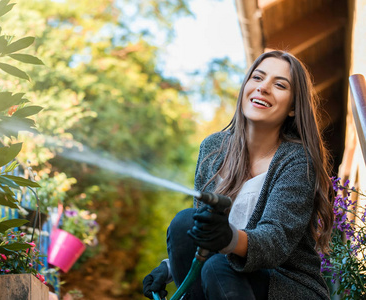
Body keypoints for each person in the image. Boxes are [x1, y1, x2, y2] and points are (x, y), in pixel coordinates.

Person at [143, 50, 334, 299]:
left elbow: (274, 242)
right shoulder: (213, 149)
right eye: (257, 78)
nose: (263, 88)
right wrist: (169, 266)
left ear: (293, 108)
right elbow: (202, 232)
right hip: (221, 279)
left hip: (285, 285)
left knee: (219, 266)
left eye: (279, 85)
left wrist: (229, 239)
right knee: (185, 223)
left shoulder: (298, 160)